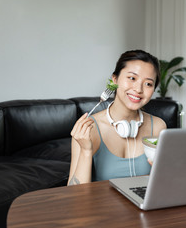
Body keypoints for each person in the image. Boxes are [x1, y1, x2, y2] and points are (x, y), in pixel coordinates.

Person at [68, 50, 167, 185]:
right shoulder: (89, 128)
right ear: (115, 80)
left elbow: (164, 184)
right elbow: (75, 198)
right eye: (132, 78)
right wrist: (86, 151)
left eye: (148, 84)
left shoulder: (158, 127)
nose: (138, 89)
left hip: (144, 204)